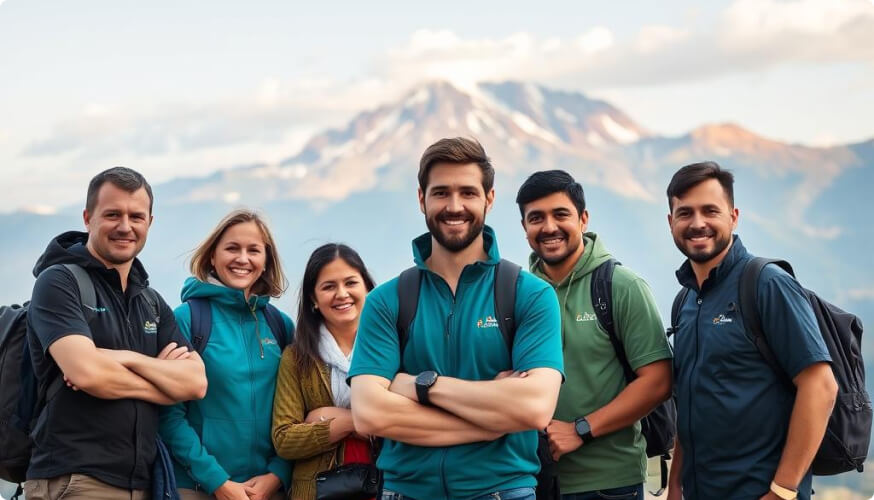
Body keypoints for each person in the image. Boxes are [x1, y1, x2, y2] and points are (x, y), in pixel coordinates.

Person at [348, 137, 564, 500]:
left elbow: (534, 407)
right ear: (421, 199)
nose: (454, 206)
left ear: (489, 199)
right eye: (441, 193)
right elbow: (370, 415)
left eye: (467, 192)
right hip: (407, 493)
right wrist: (492, 421)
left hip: (502, 491)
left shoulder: (529, 295)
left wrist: (420, 386)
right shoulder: (386, 301)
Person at [25, 166, 208, 500]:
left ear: (150, 222)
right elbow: (87, 373)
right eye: (112, 214)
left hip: (142, 484)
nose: (125, 227)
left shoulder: (150, 301)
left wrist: (121, 359)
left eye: (136, 216)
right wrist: (163, 386)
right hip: (76, 480)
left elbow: (195, 382)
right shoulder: (59, 282)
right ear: (87, 217)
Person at [665, 161, 837, 500]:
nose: (697, 223)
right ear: (671, 223)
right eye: (685, 213)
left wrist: (783, 491)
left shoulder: (766, 284)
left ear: (733, 216)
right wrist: (675, 486)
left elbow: (821, 386)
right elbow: (690, 401)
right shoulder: (684, 301)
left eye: (710, 211)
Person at [515, 170, 673, 500]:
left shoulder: (621, 286)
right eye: (536, 218)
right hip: (531, 479)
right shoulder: (517, 293)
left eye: (561, 214)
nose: (548, 227)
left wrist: (580, 430)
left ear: (583, 219)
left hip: (608, 482)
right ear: (524, 228)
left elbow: (658, 381)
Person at [159, 209, 294, 500]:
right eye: (232, 248)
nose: (242, 259)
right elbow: (169, 415)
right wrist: (218, 481)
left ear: (266, 259)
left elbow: (297, 413)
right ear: (212, 256)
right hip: (197, 487)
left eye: (253, 250)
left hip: (267, 491)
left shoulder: (280, 326)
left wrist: (277, 475)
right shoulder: (187, 320)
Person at [272, 243, 377, 500]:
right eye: (329, 286)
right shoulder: (296, 357)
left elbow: (407, 421)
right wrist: (353, 421)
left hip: (386, 485)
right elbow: (284, 438)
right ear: (313, 299)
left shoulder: (391, 347)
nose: (342, 294)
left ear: (367, 288)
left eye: (351, 283)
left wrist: (325, 416)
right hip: (317, 492)